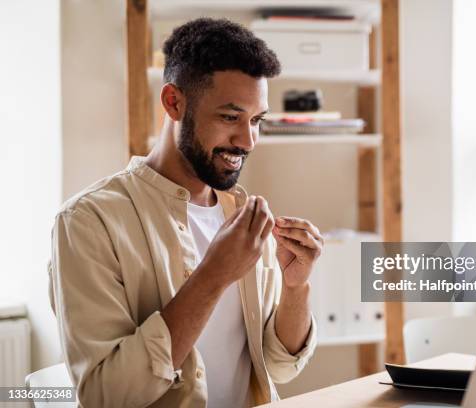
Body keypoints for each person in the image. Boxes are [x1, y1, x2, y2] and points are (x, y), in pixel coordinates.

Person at [49, 17, 322, 407]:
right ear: (174, 102)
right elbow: (104, 395)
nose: (247, 140)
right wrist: (213, 276)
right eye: (230, 117)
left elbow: (279, 366)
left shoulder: (243, 217)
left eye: (256, 120)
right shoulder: (88, 222)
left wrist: (296, 288)